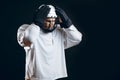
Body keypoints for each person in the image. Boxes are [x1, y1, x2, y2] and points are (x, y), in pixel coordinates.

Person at [17, 4, 82, 80]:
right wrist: (36, 23)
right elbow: (28, 39)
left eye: (53, 21)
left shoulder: (59, 31)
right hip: (35, 78)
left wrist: (68, 24)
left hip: (55, 76)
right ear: (41, 19)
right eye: (48, 21)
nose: (51, 24)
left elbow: (77, 38)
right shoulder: (26, 29)